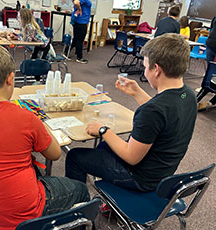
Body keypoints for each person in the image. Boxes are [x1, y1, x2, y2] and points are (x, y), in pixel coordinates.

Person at [0, 45, 90, 230]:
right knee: (80, 190)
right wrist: (39, 124)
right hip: (24, 211)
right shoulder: (25, 118)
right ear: (11, 78)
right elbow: (55, 154)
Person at [65, 34, 197, 192]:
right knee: (105, 147)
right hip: (162, 172)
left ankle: (79, 206)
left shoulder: (152, 110)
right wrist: (137, 93)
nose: (145, 71)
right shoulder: (187, 94)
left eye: (146, 66)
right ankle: (110, 200)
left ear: (157, 70)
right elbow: (162, 115)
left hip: (140, 178)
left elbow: (132, 157)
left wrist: (103, 130)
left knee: (75, 157)